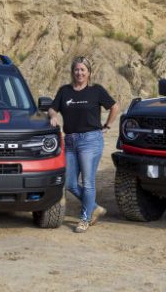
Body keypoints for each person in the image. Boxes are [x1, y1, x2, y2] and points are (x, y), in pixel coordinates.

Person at [48, 56, 118, 233]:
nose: (79, 73)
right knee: (69, 183)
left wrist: (107, 126)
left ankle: (85, 218)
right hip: (70, 141)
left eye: (83, 70)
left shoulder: (96, 90)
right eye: (76, 69)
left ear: (89, 73)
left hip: (90, 141)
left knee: (87, 182)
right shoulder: (64, 91)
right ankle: (94, 207)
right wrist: (53, 116)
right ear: (72, 72)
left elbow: (115, 107)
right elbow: (52, 108)